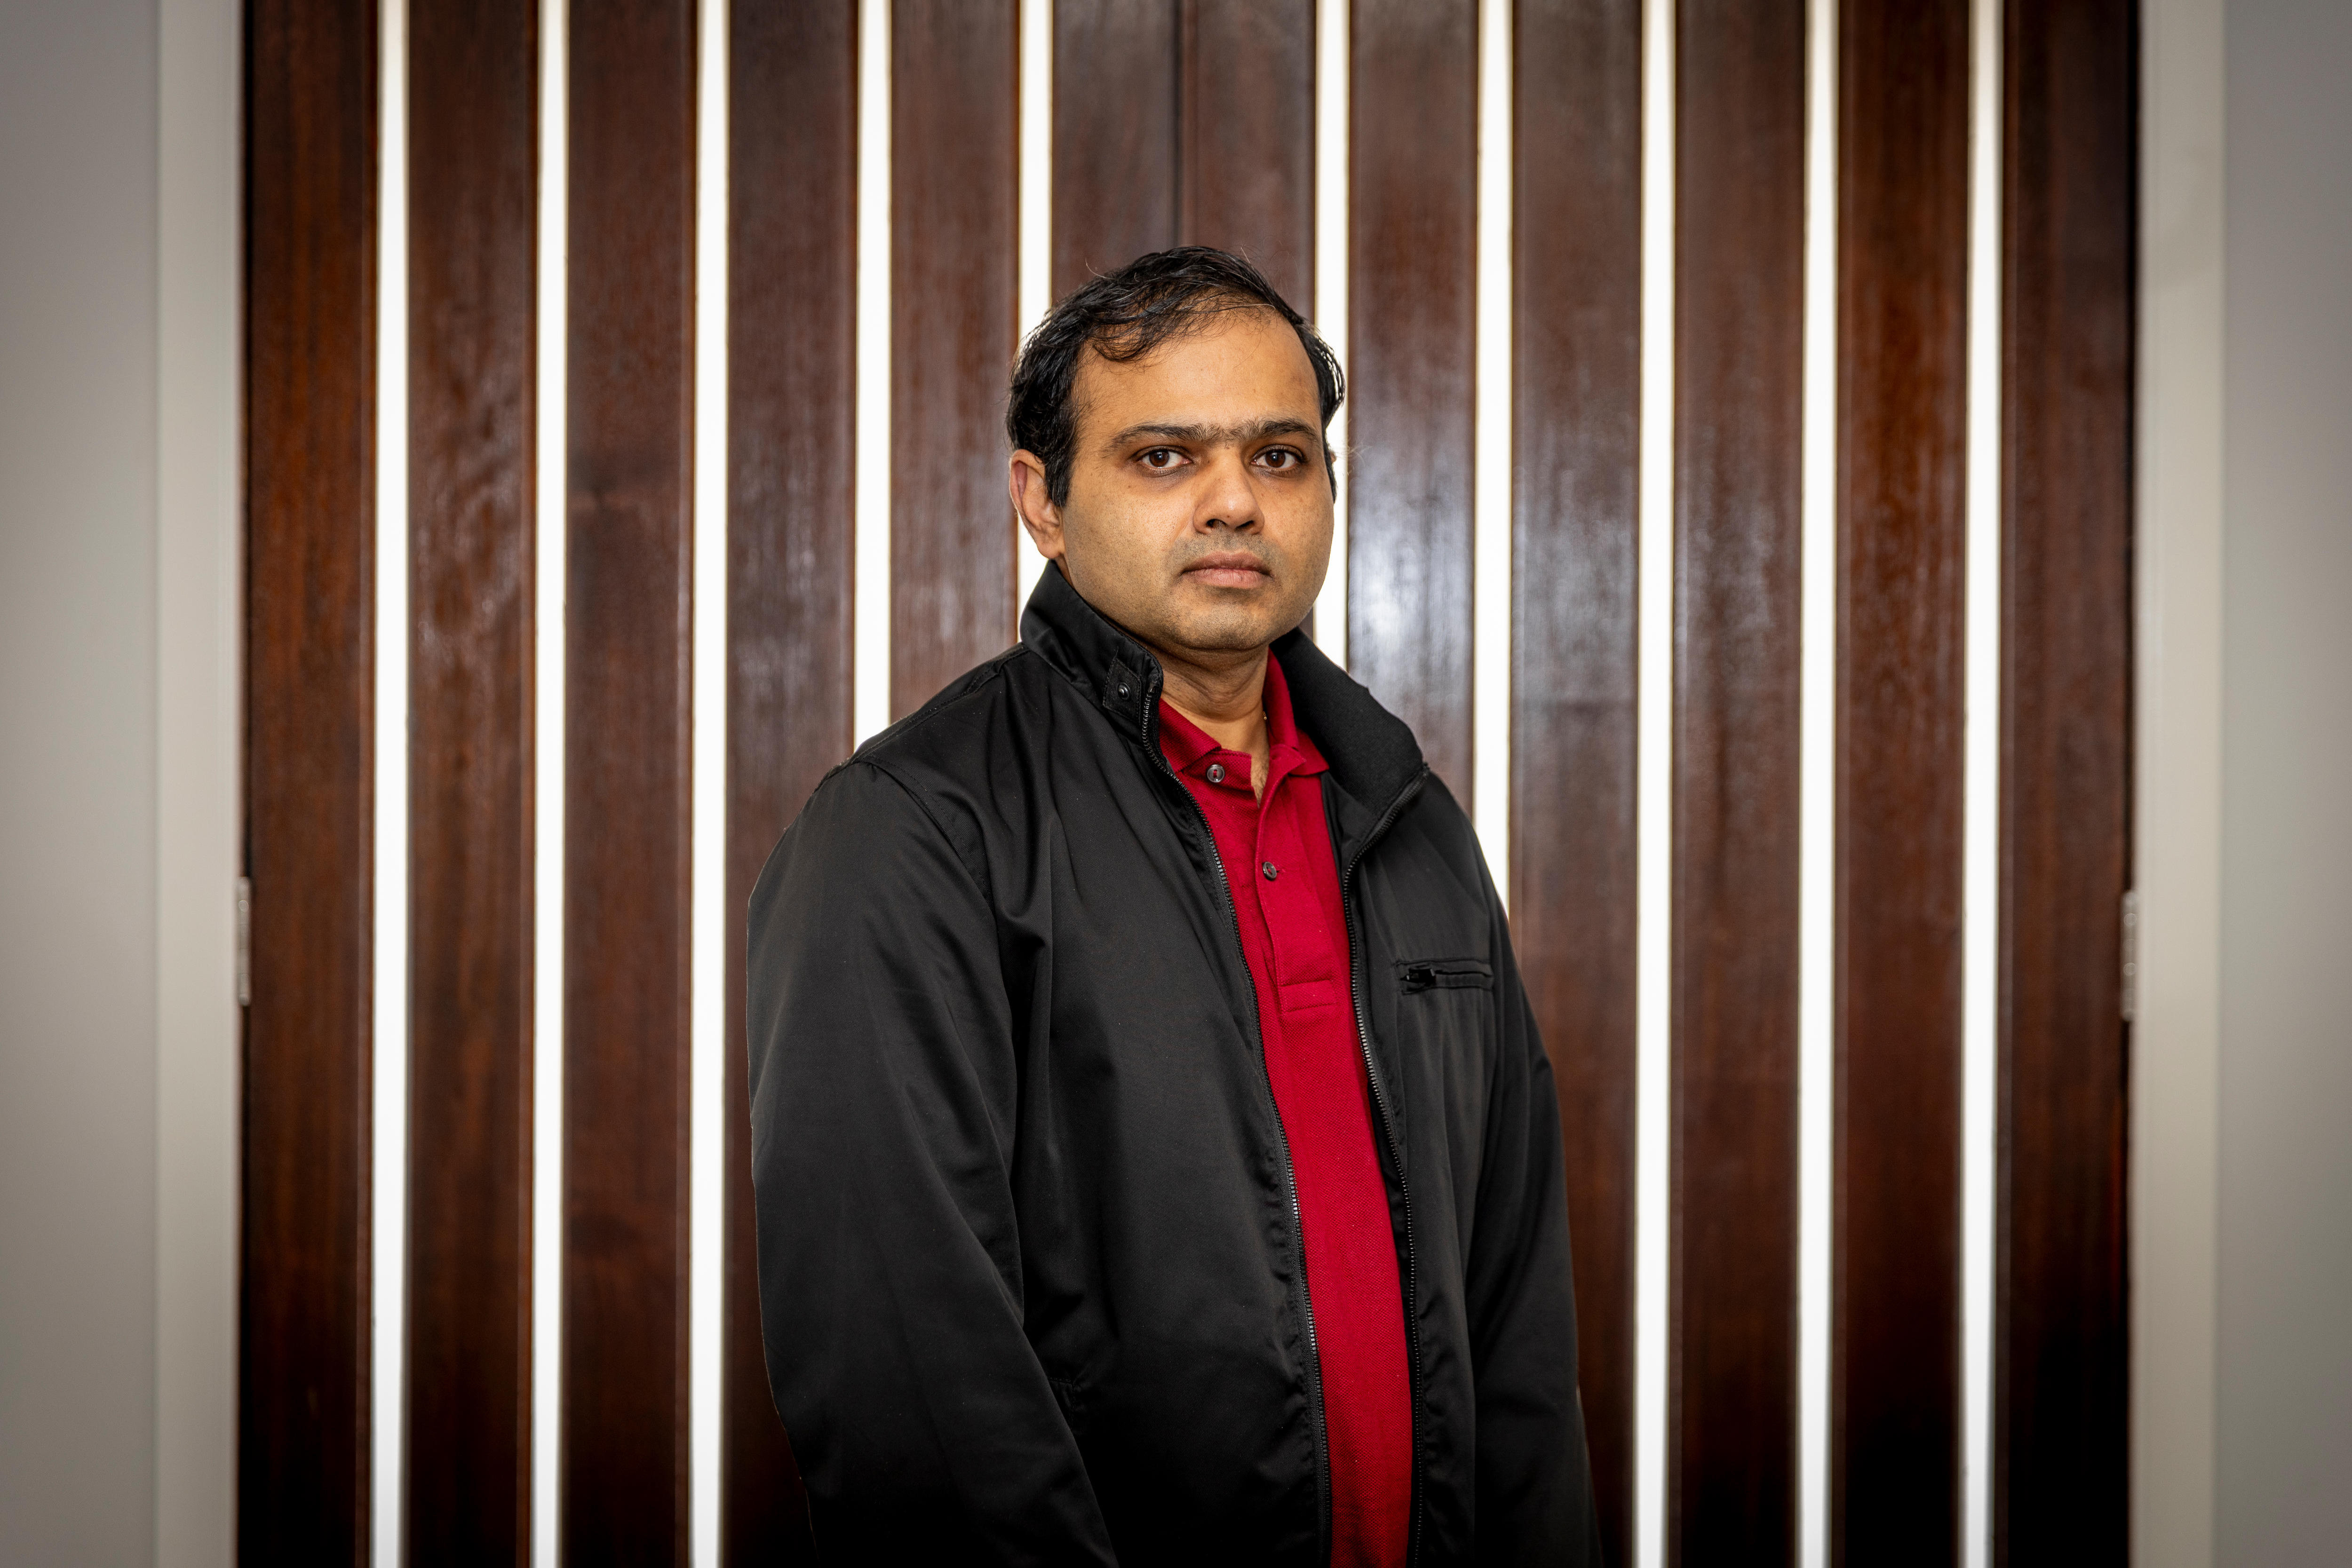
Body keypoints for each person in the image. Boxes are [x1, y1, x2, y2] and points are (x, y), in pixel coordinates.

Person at [747, 246, 1600, 1564]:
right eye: (1162, 457)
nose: (1233, 504)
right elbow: (905, 1379)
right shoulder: (914, 835)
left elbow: (1518, 1321)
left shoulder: (1411, 825)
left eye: (1278, 456)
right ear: (1042, 499)